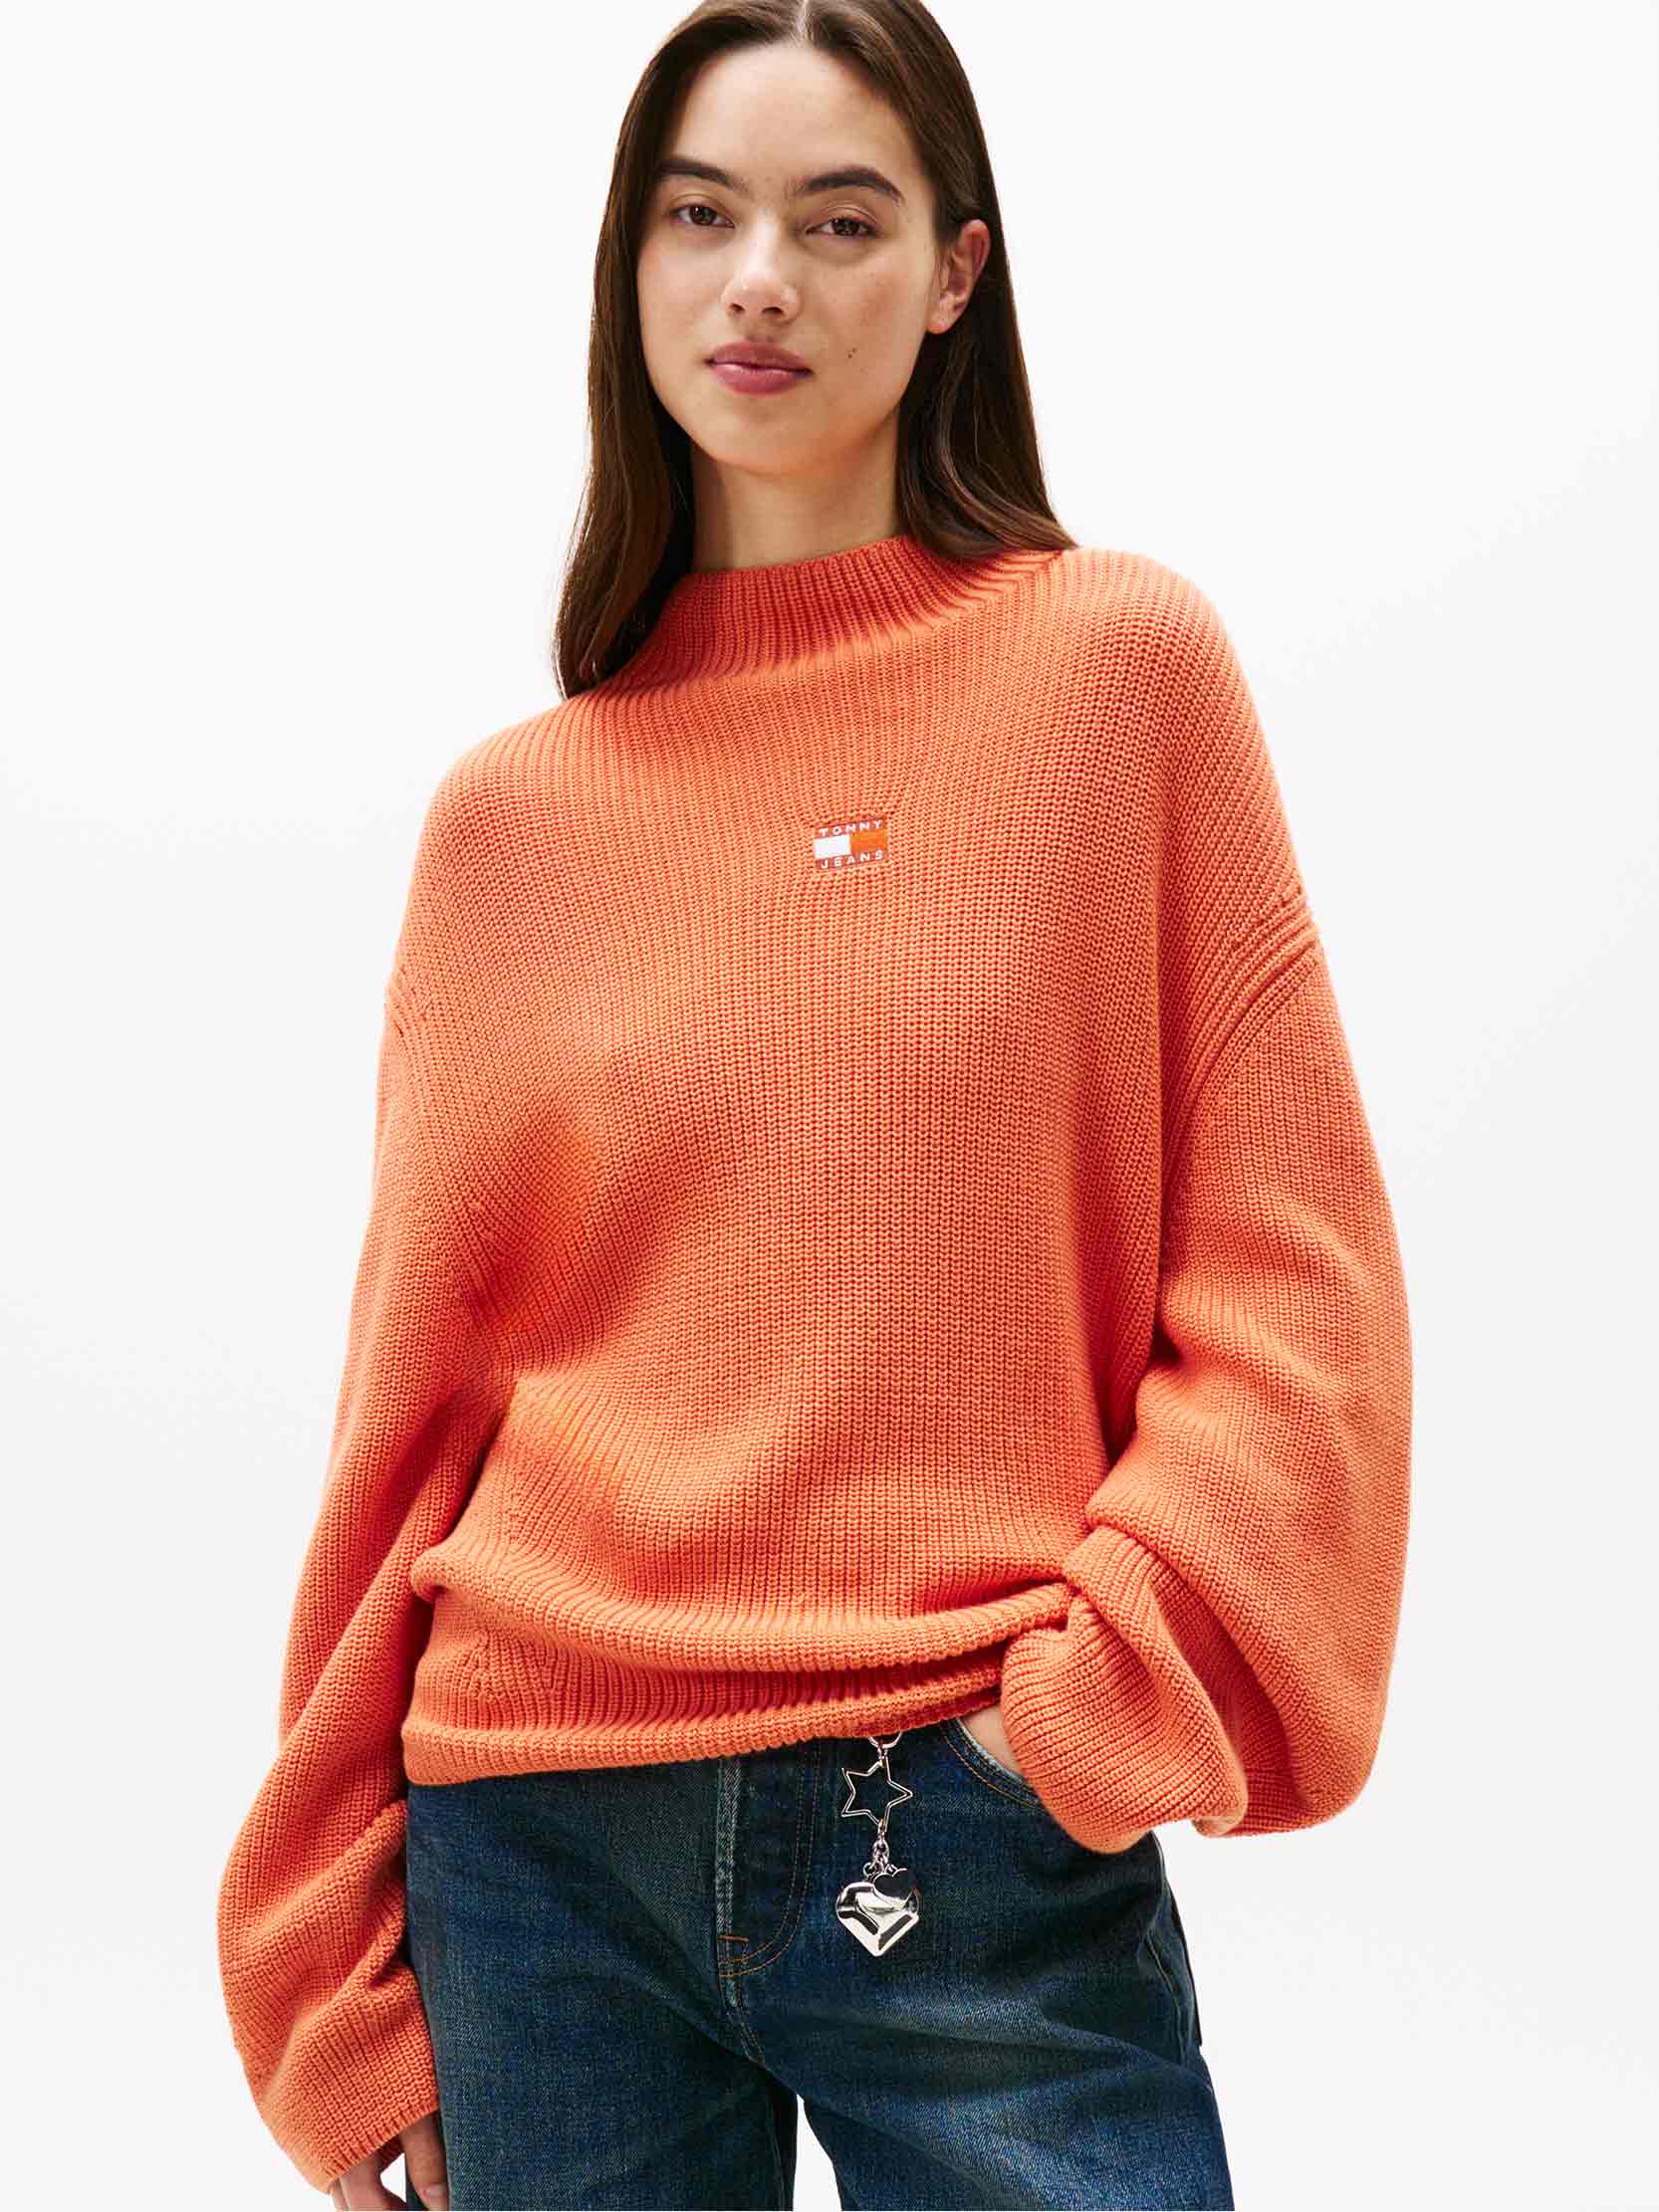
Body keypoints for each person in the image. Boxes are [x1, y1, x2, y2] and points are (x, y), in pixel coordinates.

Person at [216, 2, 1413, 2206]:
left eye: (835, 220)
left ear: (954, 270)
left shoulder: (1113, 676)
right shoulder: (512, 821)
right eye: (699, 217)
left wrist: (1074, 1709)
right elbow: (410, 1419)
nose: (756, 279)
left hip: (956, 1818)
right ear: (632, 264)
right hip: (530, 1848)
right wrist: (329, 1966)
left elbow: (1289, 1278)